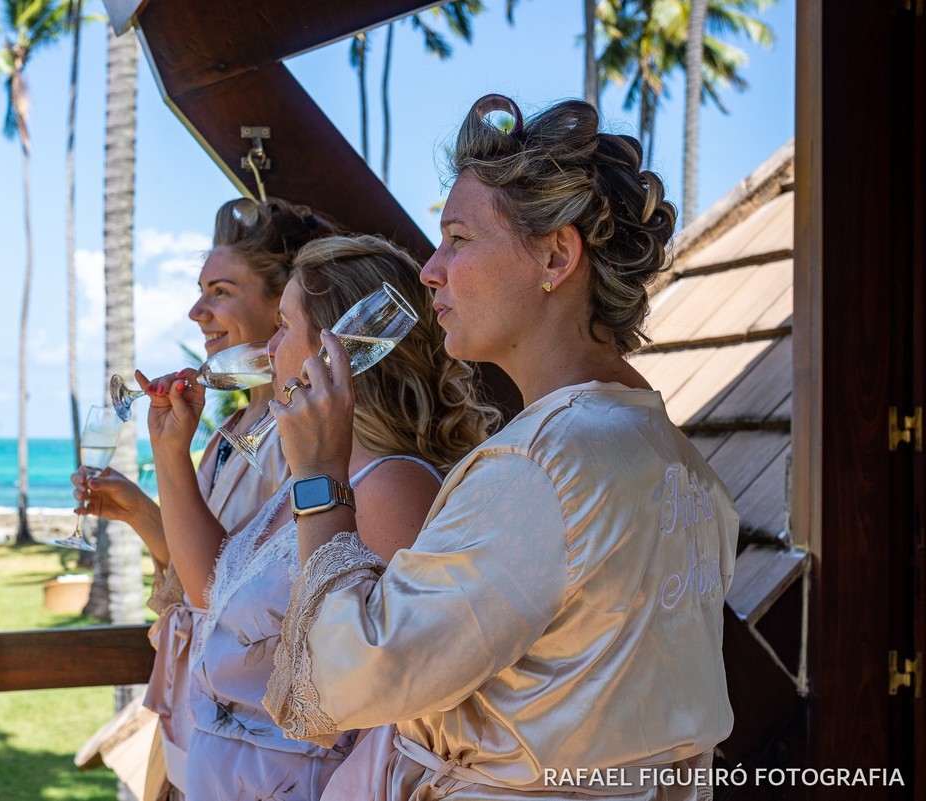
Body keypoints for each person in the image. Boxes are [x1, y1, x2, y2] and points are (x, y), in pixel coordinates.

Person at [262, 96, 740, 801]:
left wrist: (319, 480)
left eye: (458, 238)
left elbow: (341, 682)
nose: (430, 269)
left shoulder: (541, 468)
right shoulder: (682, 467)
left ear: (556, 255)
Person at [143, 235, 499, 800]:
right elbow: (210, 588)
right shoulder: (309, 470)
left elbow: (376, 691)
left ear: (342, 350)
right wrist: (170, 453)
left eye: (284, 325)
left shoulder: (391, 488)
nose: (270, 346)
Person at [73, 196, 335, 801]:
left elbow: (217, 589)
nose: (197, 312)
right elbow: (203, 563)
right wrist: (138, 509)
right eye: (200, 291)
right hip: (200, 719)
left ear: (284, 305)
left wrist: (167, 455)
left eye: (219, 291)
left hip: (260, 737)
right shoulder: (229, 434)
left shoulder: (308, 443)